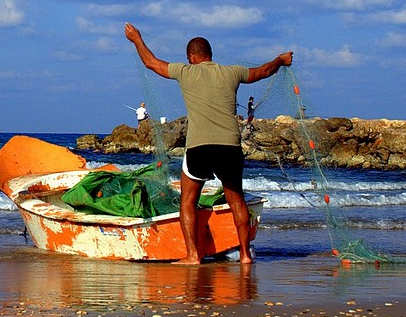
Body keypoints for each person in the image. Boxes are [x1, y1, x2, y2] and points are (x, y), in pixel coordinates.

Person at [124, 22, 293, 264]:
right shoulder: (232, 72)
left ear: (191, 57)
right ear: (210, 55)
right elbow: (264, 71)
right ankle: (245, 255)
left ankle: (193, 256)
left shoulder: (186, 71)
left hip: (199, 148)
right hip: (229, 147)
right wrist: (279, 59)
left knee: (188, 201)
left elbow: (151, 63)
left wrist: (136, 39)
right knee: (236, 200)